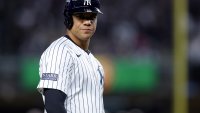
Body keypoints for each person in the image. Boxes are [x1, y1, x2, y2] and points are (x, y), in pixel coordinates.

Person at [37, 0, 105, 113]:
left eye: (92, 16)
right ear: (68, 19)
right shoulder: (59, 52)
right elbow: (53, 106)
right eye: (81, 16)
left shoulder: (94, 61)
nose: (88, 22)